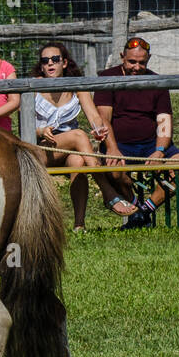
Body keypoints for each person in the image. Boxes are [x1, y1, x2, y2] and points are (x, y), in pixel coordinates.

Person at [32, 41, 139, 230]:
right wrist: (41, 130)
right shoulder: (33, 87)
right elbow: (24, 128)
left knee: (79, 162)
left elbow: (95, 118)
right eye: (45, 60)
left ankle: (79, 225)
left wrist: (100, 131)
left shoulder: (77, 87)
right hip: (40, 149)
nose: (50, 64)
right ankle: (108, 193)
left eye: (55, 59)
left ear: (64, 63)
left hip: (70, 149)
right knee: (80, 135)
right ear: (41, 65)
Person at [94, 36, 179, 229]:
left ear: (148, 60)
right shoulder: (107, 77)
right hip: (119, 145)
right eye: (132, 62)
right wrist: (112, 148)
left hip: (150, 144)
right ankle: (136, 208)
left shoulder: (157, 81)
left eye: (142, 63)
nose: (137, 67)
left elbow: (164, 120)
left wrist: (160, 151)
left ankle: (145, 210)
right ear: (122, 57)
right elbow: (103, 118)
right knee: (113, 171)